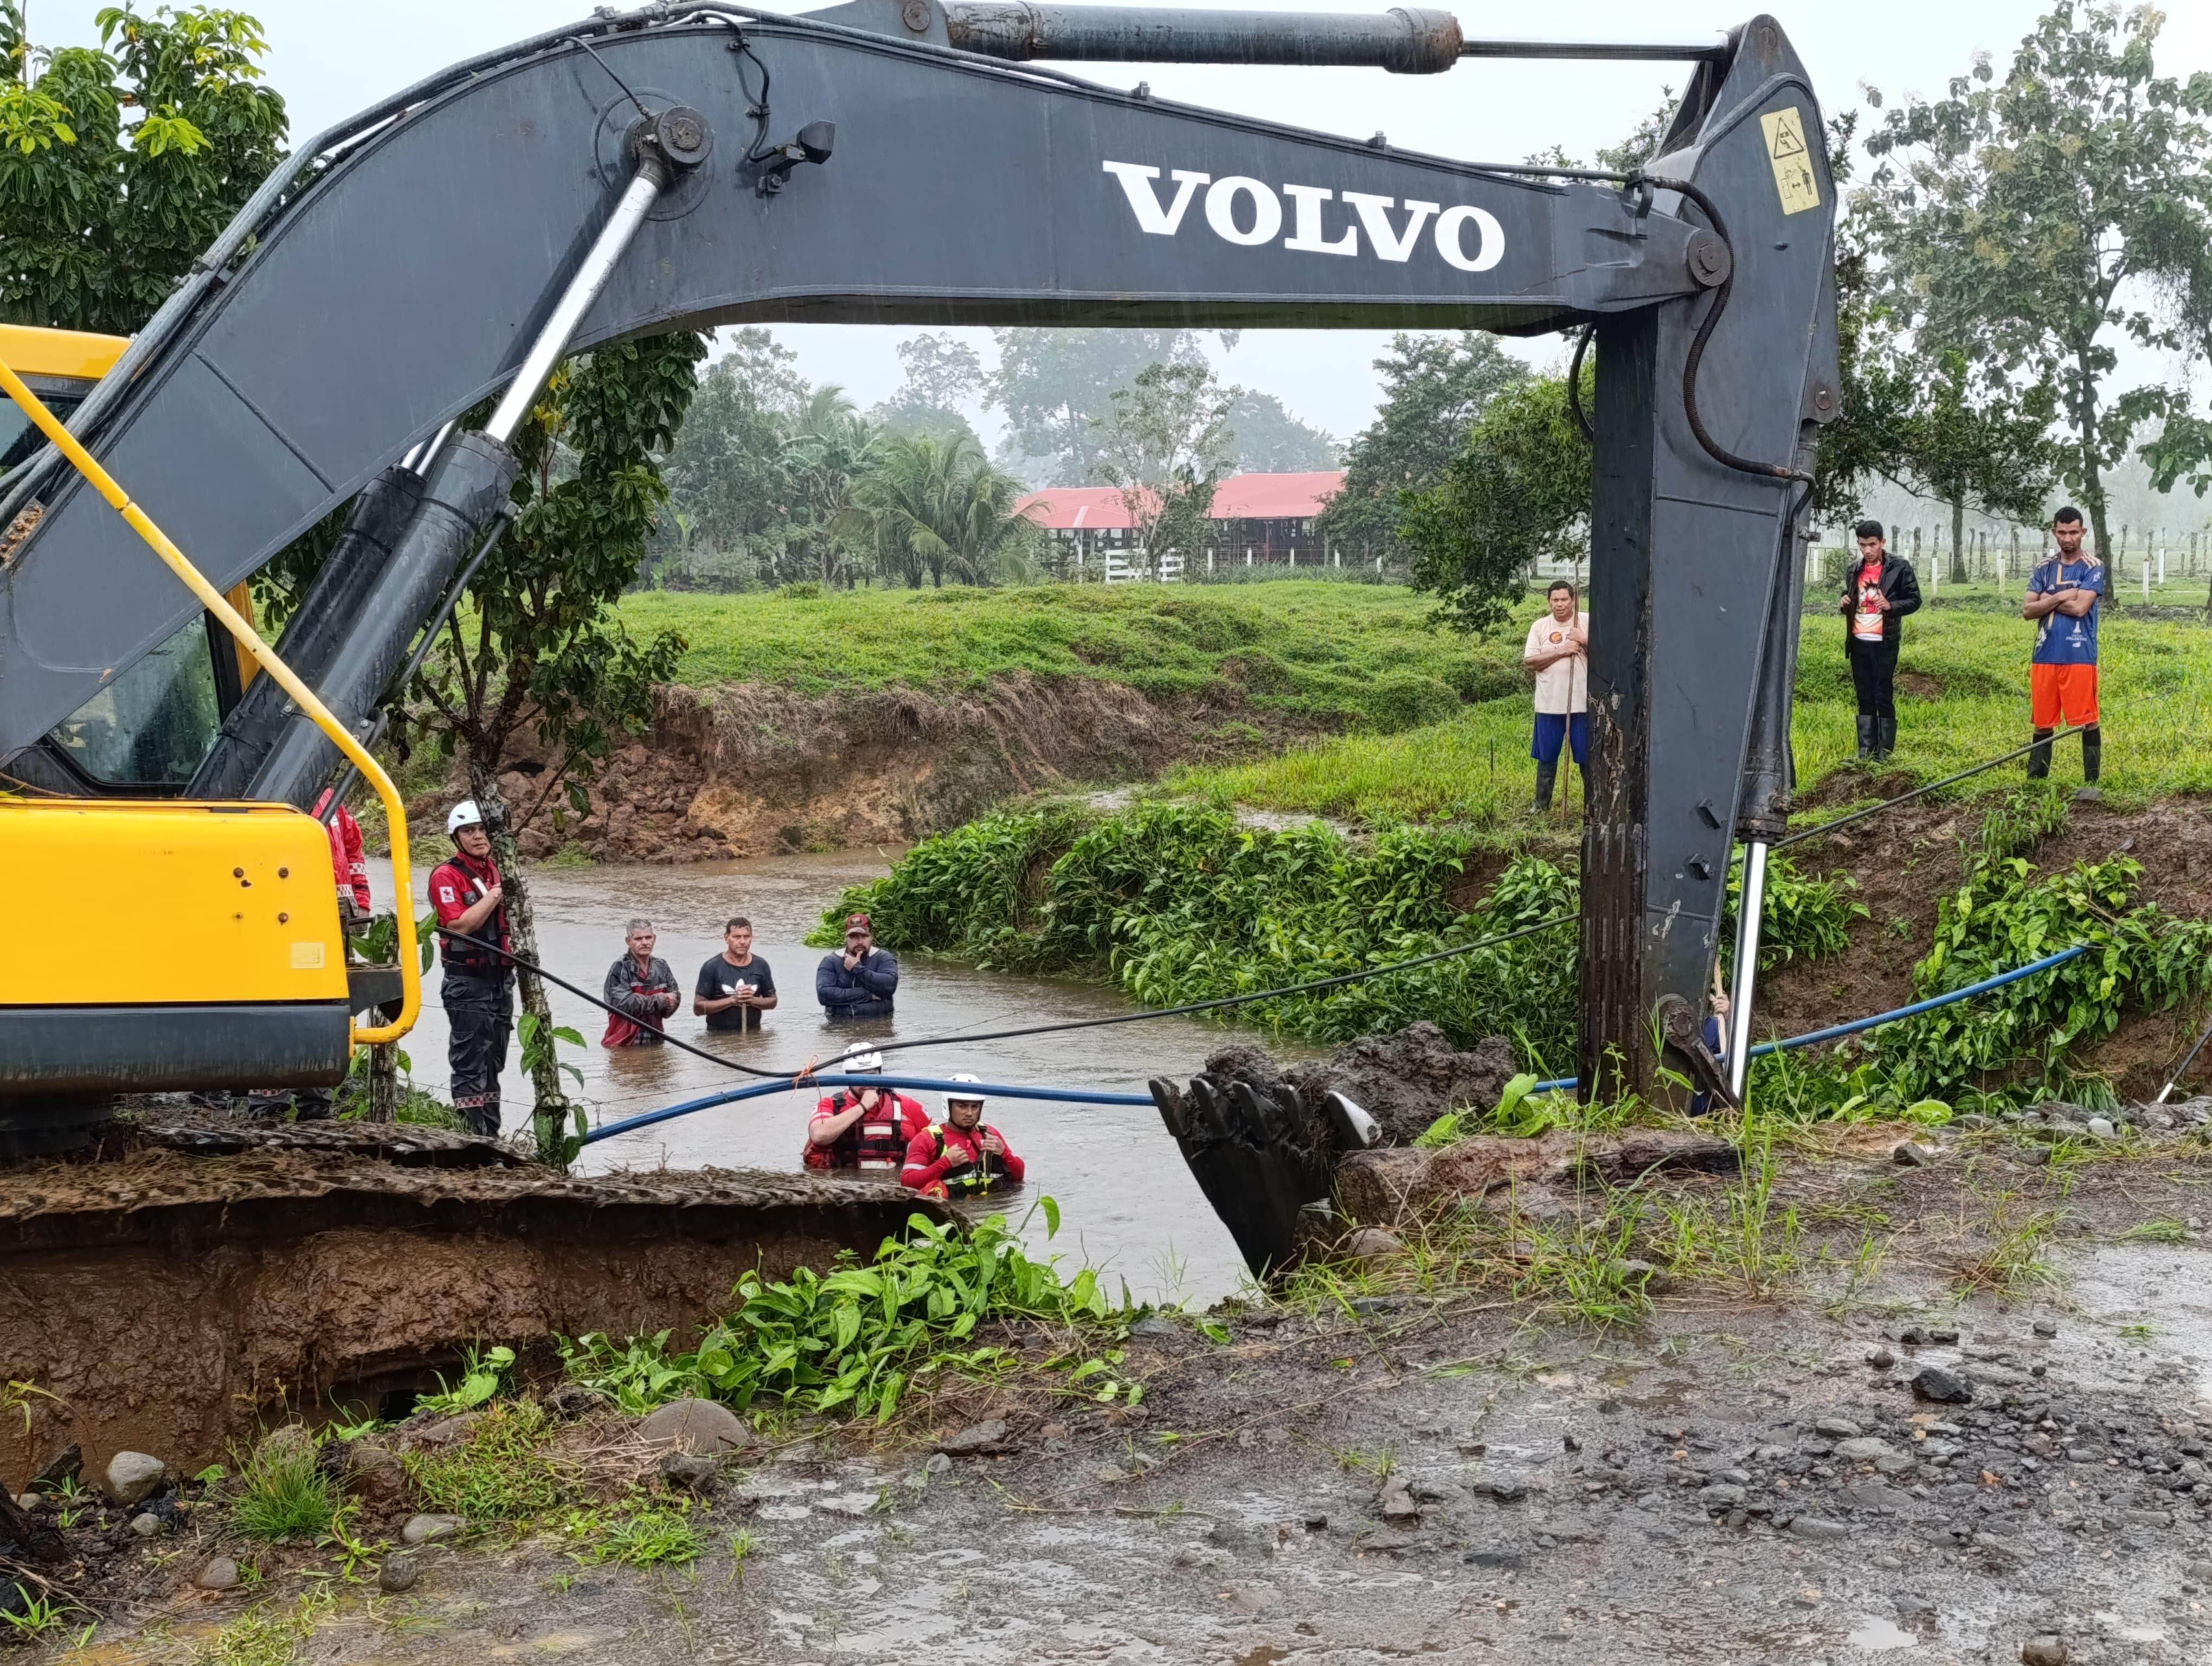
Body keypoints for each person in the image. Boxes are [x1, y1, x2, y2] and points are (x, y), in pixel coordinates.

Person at [428, 799, 514, 1136]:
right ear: (457, 837)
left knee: (495, 1062)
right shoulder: (446, 876)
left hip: (500, 981)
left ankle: (492, 1135)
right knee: (470, 1063)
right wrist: (495, 894)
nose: (478, 836)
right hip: (466, 983)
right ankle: (469, 1135)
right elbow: (459, 926)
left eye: (482, 829)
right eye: (469, 831)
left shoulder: (498, 867)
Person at [2022, 507, 2103, 799]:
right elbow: (2028, 610)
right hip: (2044, 654)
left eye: (2073, 532)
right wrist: (2060, 596)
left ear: (2083, 532)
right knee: (2043, 721)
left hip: (2079, 654)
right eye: (2062, 532)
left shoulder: (2093, 566)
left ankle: (2092, 784)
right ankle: (2034, 785)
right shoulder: (2044, 567)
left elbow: (2081, 608)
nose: (2067, 538)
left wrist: (2047, 598)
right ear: (2054, 532)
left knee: (2087, 718)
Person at [1838, 520, 1921, 762]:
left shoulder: (1899, 567)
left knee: (1883, 693)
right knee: (1863, 693)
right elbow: (1851, 596)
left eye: (1872, 544)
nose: (1867, 550)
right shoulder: (1854, 570)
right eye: (1863, 545)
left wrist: (1891, 605)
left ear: (1882, 543)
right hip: (1858, 639)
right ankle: (1865, 751)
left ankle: (1885, 753)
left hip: (1885, 641)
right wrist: (1845, 602)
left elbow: (1915, 600)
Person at [803, 1043, 929, 1172]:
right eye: (858, 1077)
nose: (866, 1082)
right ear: (847, 1077)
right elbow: (819, 1135)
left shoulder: (908, 1105)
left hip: (894, 1184)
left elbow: (938, 1141)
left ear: (880, 1073)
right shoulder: (829, 1104)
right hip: (846, 1187)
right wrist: (862, 1107)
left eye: (872, 1075)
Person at [901, 1074, 1026, 1200]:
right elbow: (907, 1182)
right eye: (962, 1106)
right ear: (948, 1106)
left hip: (993, 1209)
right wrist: (944, 1163)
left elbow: (1019, 1176)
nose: (970, 1113)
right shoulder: (927, 1139)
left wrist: (1005, 1154)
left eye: (975, 1107)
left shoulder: (990, 1134)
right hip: (951, 1213)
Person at [1522, 579, 1589, 813]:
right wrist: (1563, 651)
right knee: (1547, 755)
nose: (1560, 605)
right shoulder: (1540, 626)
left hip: (1581, 704)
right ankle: (1541, 806)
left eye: (1564, 600)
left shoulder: (1586, 621)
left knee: (1585, 755)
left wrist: (1584, 640)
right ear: (1549, 601)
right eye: (1555, 600)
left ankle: (1593, 807)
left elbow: (1608, 659)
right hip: (1549, 703)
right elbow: (1530, 662)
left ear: (1573, 600)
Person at [602, 918, 680, 1047]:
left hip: (656, 1040)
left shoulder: (662, 966)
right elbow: (624, 1004)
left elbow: (675, 996)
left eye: (648, 938)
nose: (645, 943)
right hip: (623, 1044)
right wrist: (662, 999)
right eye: (638, 939)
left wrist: (671, 1003)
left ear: (654, 939)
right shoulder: (620, 968)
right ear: (628, 942)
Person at [695, 916, 779, 1032]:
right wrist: (733, 1000)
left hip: (754, 1036)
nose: (742, 942)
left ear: (752, 938)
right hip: (718, 1037)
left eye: (747, 937)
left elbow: (773, 1002)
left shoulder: (761, 965)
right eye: (737, 937)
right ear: (727, 938)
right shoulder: (711, 967)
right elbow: (698, 1009)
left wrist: (751, 1000)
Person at [816, 911, 898, 1020]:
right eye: (854, 936)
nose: (860, 941)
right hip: (839, 1029)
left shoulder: (884, 958)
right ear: (845, 938)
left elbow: (889, 986)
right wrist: (869, 995)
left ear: (872, 937)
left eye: (864, 936)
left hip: (879, 1026)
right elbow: (824, 995)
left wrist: (857, 968)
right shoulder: (831, 961)